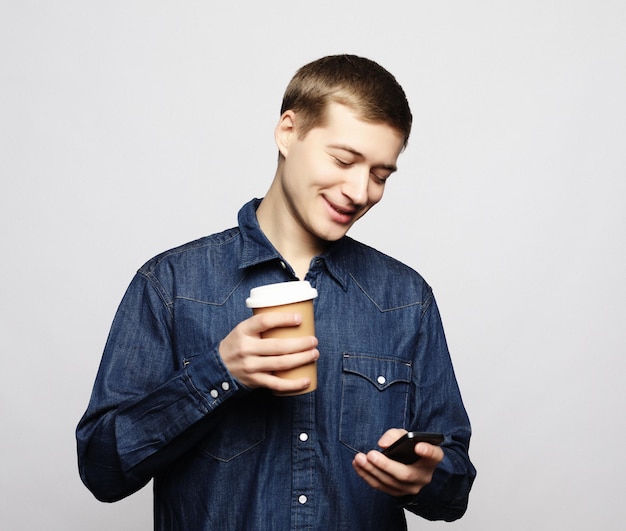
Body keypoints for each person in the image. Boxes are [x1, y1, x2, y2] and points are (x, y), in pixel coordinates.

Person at [77, 54, 476, 529]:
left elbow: (455, 489)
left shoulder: (406, 299)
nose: (359, 190)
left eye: (380, 174)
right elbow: (102, 470)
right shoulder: (171, 286)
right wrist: (218, 373)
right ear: (288, 132)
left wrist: (428, 477)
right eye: (344, 160)